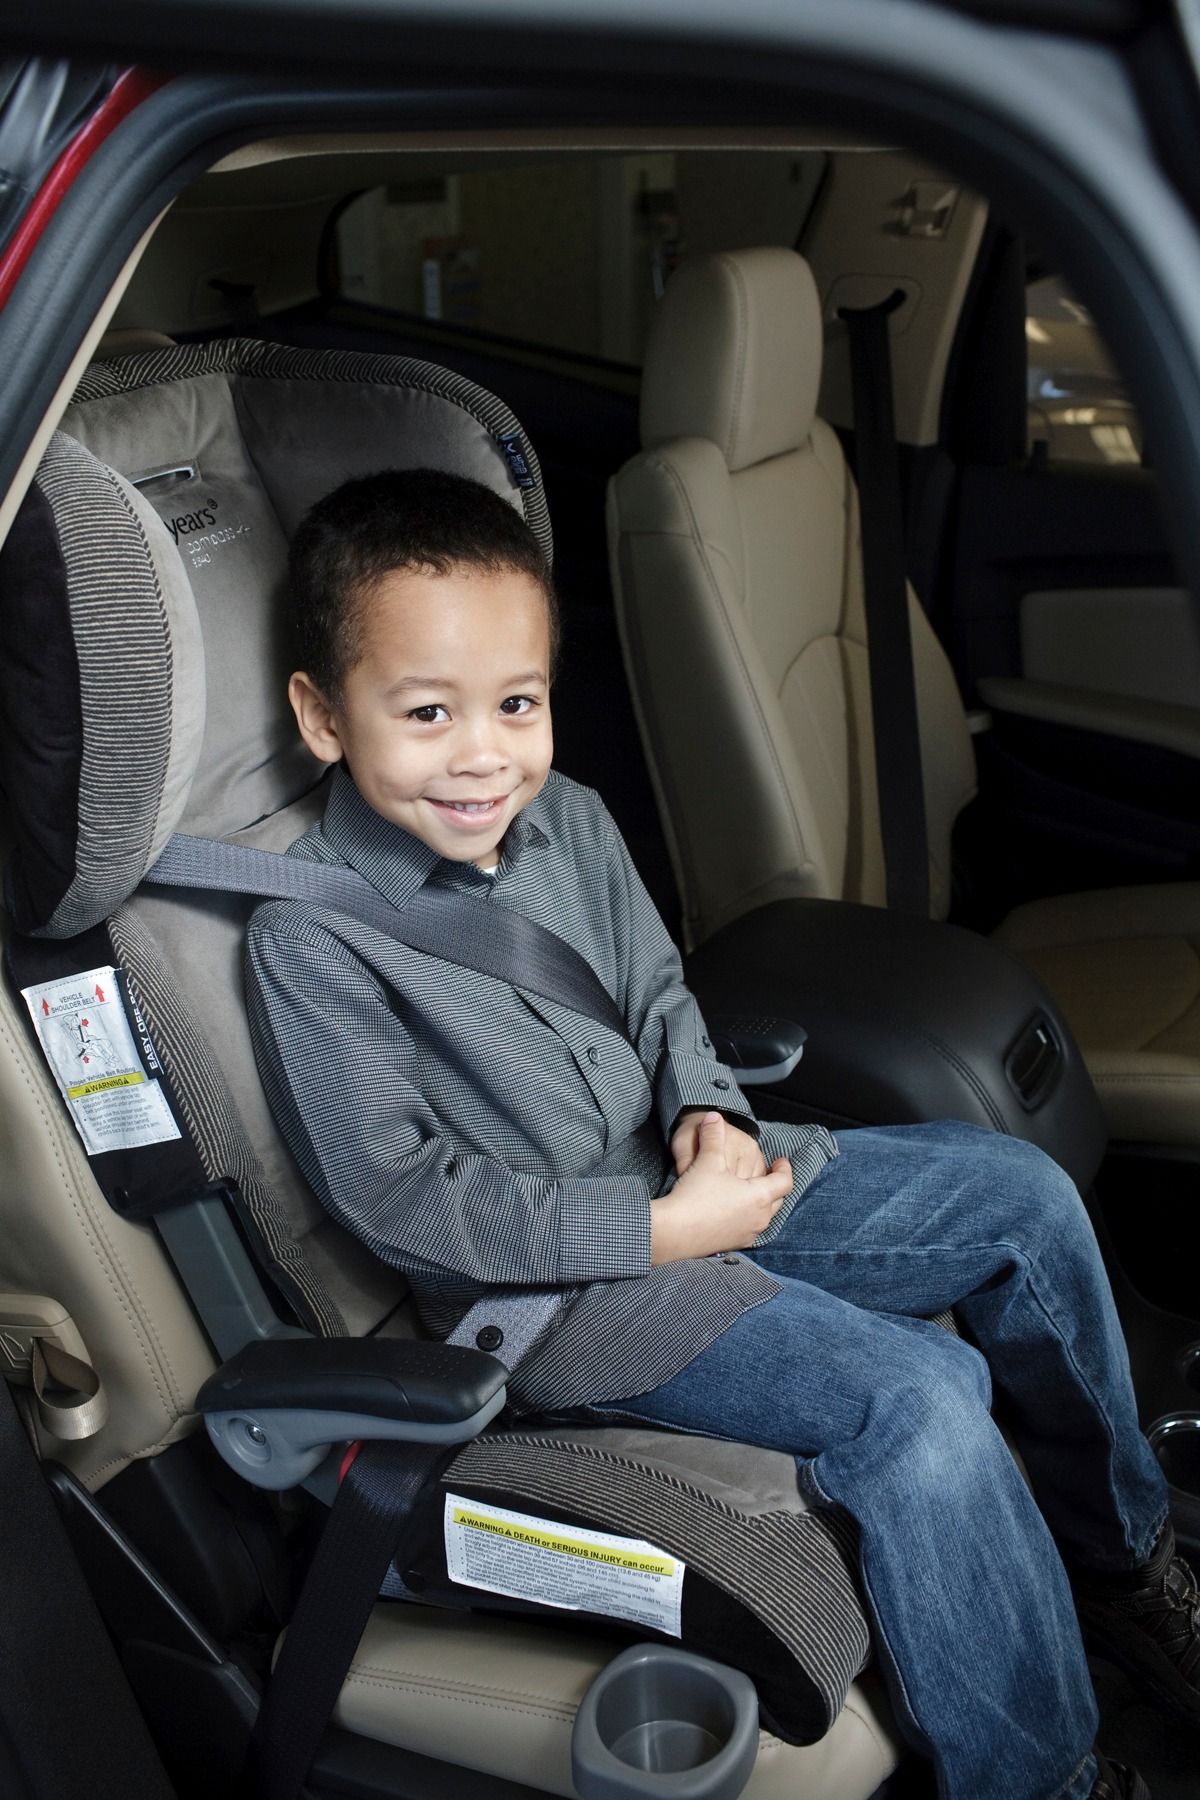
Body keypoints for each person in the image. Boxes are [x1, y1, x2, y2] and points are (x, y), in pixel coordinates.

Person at [245, 467, 1199, 1800]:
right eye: (425, 713)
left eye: (517, 703)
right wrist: (654, 1228)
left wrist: (705, 1111)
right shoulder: (311, 939)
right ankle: (1046, 1777)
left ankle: (1121, 1563)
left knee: (1021, 1197)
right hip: (571, 1293)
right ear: (322, 717)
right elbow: (406, 1198)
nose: (483, 754)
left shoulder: (564, 814)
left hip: (696, 1181)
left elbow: (654, 991)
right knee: (918, 1404)